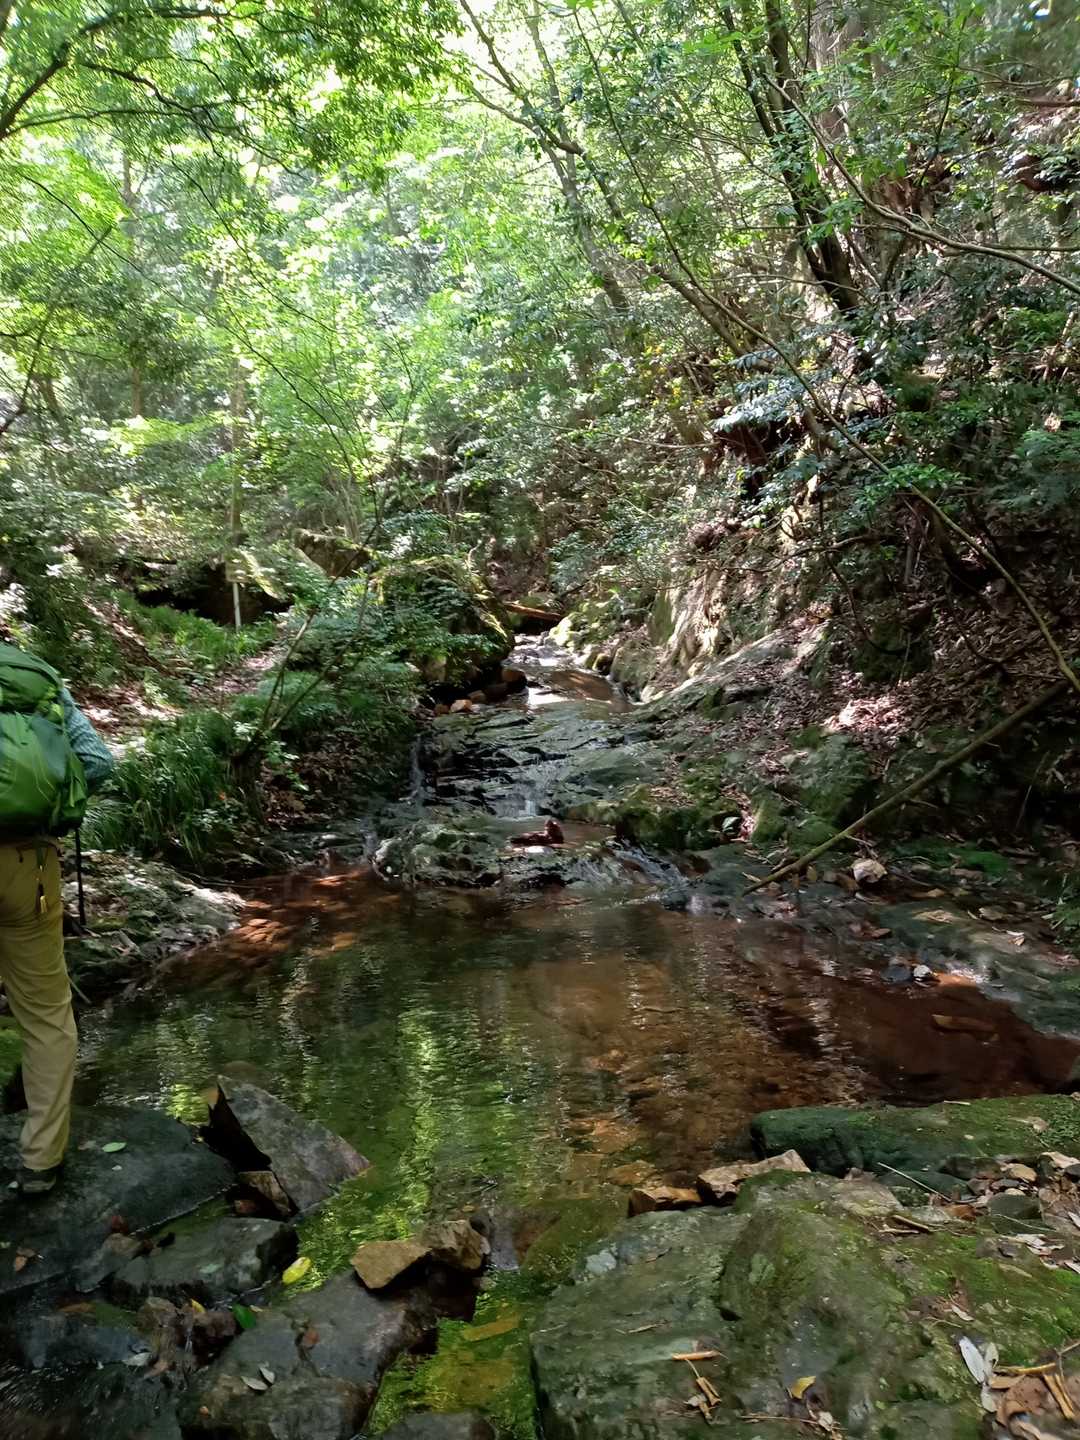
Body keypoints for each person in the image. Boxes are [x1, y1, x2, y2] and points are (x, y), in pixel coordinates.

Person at [0, 643, 114, 1196]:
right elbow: (98, 762)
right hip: (29, 866)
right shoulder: (34, 675)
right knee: (46, 1016)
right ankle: (41, 1162)